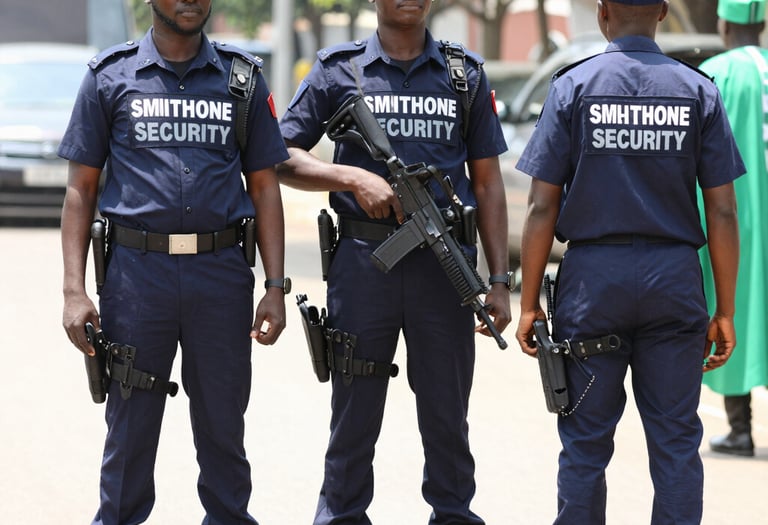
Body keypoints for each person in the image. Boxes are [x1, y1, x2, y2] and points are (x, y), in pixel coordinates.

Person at [278, 0, 511, 523]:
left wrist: (498, 280)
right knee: (354, 416)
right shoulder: (339, 70)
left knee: (447, 419)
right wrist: (352, 178)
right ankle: (340, 515)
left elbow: (489, 182)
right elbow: (280, 152)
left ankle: (453, 513)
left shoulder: (462, 73)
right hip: (365, 265)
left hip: (444, 269)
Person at [58, 1, 289, 523]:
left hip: (221, 276)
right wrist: (74, 290)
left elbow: (265, 188)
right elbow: (81, 190)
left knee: (224, 429)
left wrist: (274, 284)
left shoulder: (241, 80)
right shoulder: (108, 77)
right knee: (130, 432)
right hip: (138, 281)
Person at [514, 1, 742, 523]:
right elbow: (723, 209)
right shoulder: (697, 91)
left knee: (585, 446)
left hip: (595, 287)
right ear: (663, 12)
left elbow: (542, 204)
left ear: (602, 13)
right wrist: (724, 309)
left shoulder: (573, 87)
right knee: (677, 443)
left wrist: (528, 304)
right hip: (674, 284)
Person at [697, 0, 768, 458]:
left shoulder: (715, 73)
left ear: (724, 23)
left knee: (732, 310)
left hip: (736, 218)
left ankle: (740, 429)